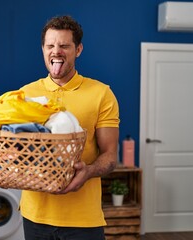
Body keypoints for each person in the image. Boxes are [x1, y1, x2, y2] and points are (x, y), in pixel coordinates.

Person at [19, 15, 120, 240]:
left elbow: (110, 156)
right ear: (43, 49)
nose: (56, 51)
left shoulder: (101, 94)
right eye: (50, 45)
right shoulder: (25, 94)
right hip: (35, 215)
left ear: (78, 49)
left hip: (83, 219)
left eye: (64, 45)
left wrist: (89, 171)